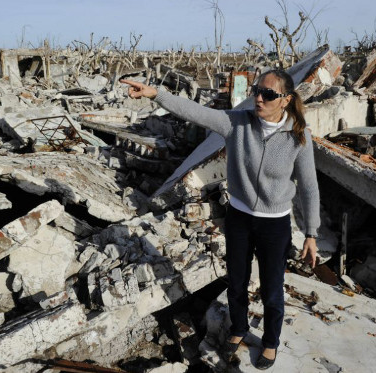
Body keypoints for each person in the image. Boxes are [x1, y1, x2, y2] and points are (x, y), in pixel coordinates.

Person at [121, 69, 319, 370]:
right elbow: (196, 112)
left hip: (274, 224)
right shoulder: (237, 123)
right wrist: (155, 94)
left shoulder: (298, 136)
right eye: (256, 91)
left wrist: (311, 232)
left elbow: (308, 186)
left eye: (267, 94)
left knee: (271, 289)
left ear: (285, 100)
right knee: (237, 282)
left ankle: (270, 341)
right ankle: (239, 328)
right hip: (239, 216)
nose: (258, 98)